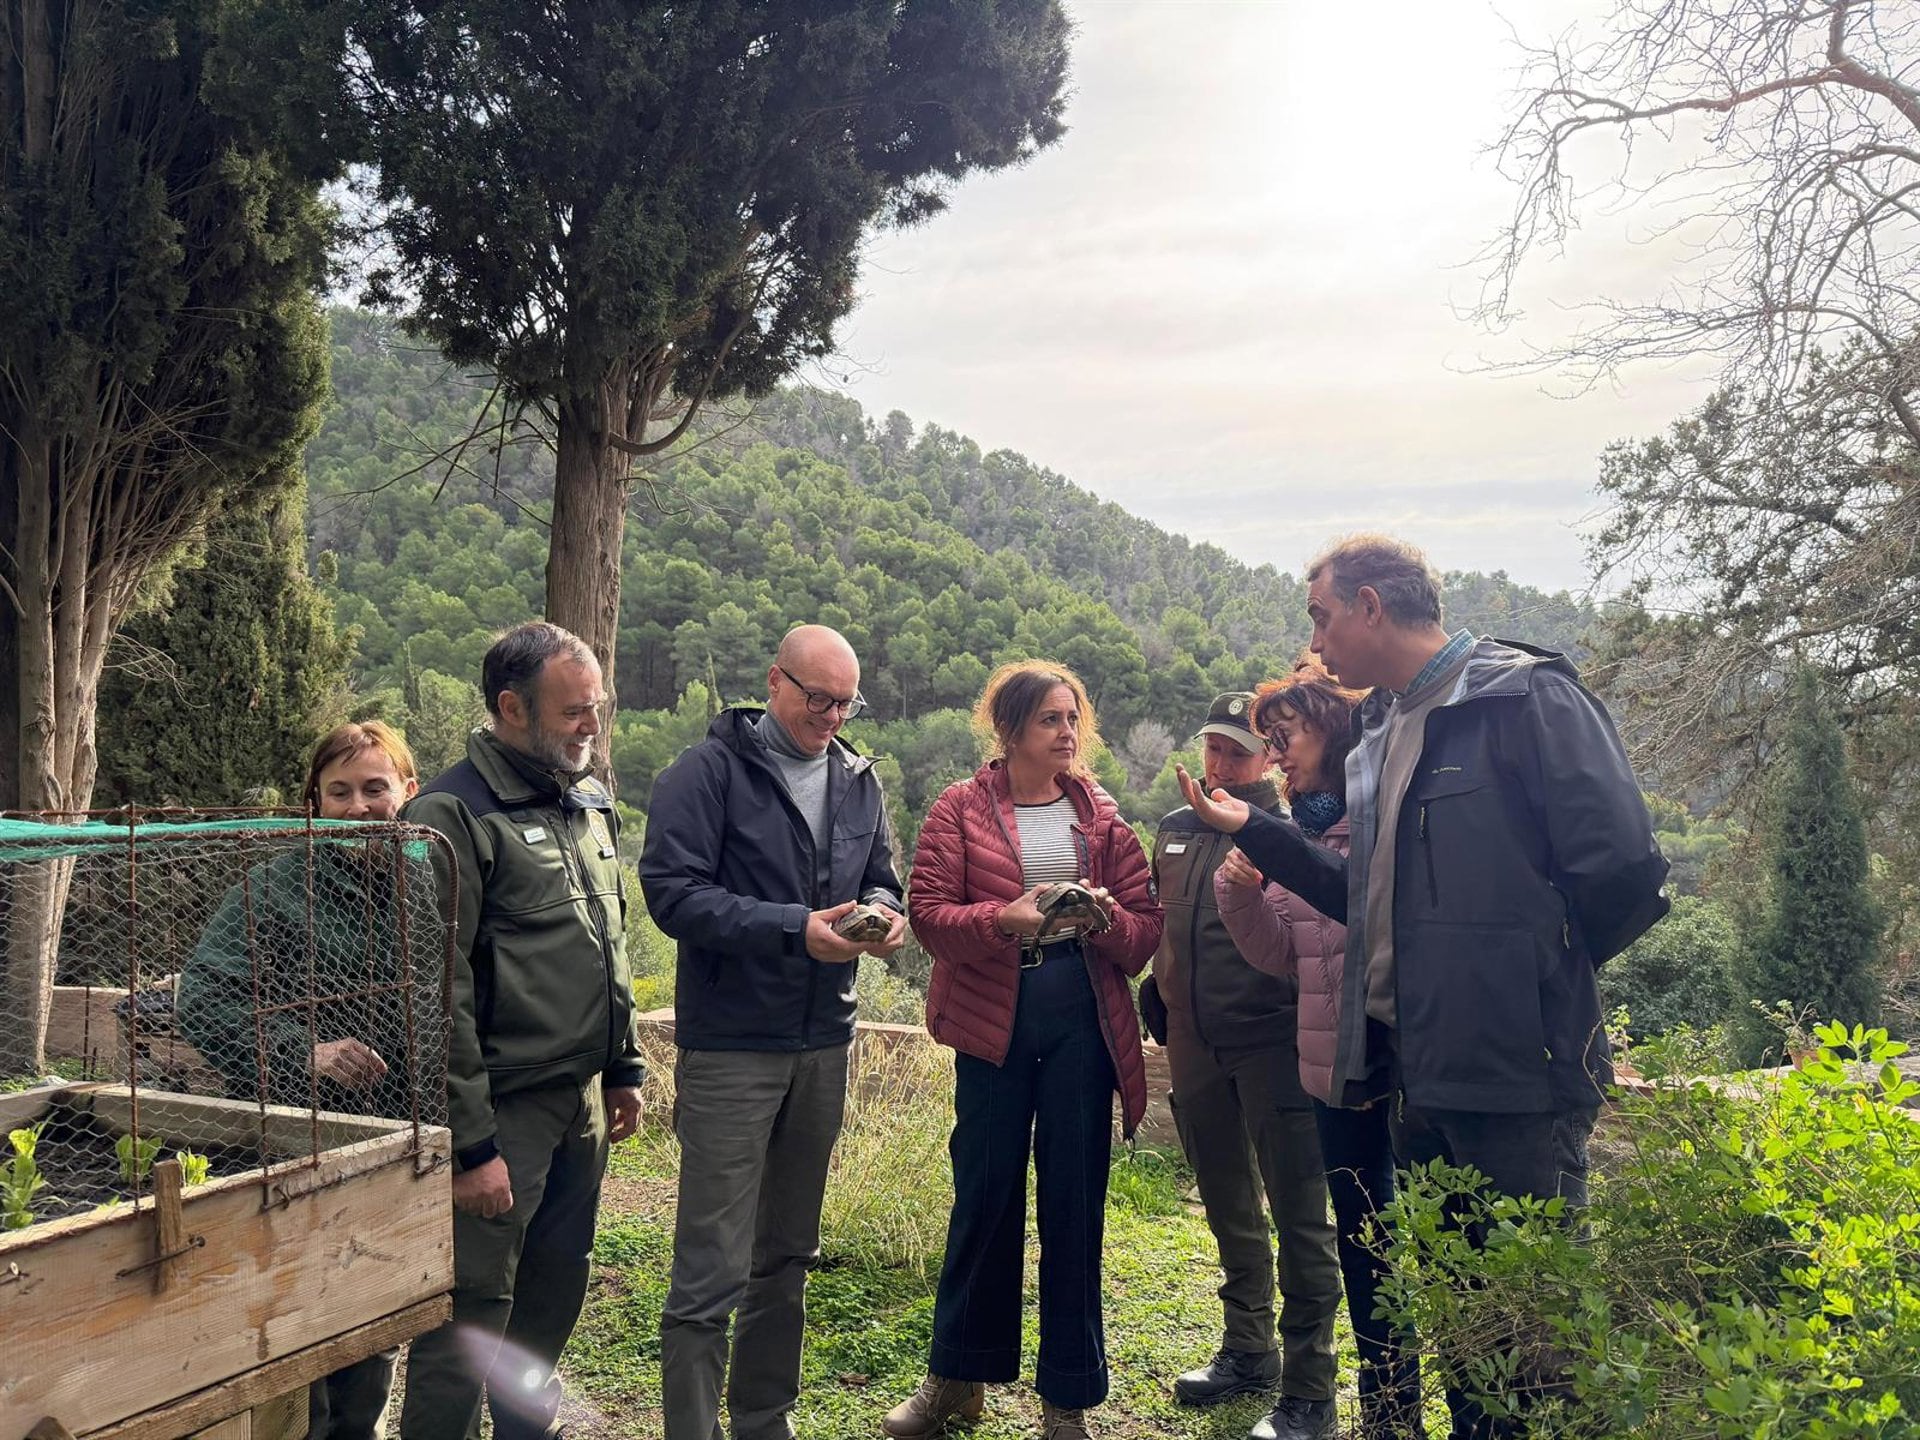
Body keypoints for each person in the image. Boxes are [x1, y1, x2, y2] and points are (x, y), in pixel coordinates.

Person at [1179, 535, 1669, 1439]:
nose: (1316, 643)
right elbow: (1362, 904)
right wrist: (1260, 830)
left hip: (1518, 1073)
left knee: (1536, 1339)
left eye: (1321, 616)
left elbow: (1627, 874)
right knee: (1464, 1324)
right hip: (1417, 1078)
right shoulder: (1379, 731)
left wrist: (1516, 980)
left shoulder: (1526, 698)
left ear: (1372, 606)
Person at [641, 624, 907, 1440]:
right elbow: (673, 895)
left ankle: (764, 1419)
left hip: (824, 1041)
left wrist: (886, 918)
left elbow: (882, 879)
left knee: (787, 1254)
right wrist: (797, 928)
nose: (832, 716)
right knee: (710, 1268)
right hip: (732, 1048)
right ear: (775, 682)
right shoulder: (704, 774)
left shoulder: (858, 779)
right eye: (818, 698)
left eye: (845, 702)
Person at [885, 662, 1164, 1440]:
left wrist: (1105, 919)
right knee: (985, 1196)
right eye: (1050, 720)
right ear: (1008, 730)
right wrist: (1004, 920)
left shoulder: (1102, 819)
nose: (1067, 734)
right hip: (992, 1022)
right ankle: (956, 1380)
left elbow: (1144, 929)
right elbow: (931, 916)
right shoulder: (960, 809)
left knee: (1075, 1204)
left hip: (1082, 1018)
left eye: (1073, 718)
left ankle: (1066, 1400)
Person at [399, 621, 646, 1440]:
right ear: (511, 706)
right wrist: (471, 1147)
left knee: (552, 1290)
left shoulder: (584, 802)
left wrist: (624, 1065)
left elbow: (610, 943)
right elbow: (435, 996)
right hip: (502, 1109)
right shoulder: (448, 815)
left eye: (596, 709)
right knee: (473, 1313)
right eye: (575, 711)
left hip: (577, 1103)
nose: (591, 726)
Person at [179, 720, 426, 1440]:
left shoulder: (431, 874)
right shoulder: (279, 887)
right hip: (300, 1137)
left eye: (374, 788)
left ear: (407, 791)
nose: (358, 806)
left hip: (406, 1131)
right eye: (338, 792)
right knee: (303, 1320)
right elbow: (203, 996)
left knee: (377, 1310)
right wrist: (303, 1050)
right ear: (313, 805)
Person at [1214, 661, 1424, 1439]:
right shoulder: (1294, 835)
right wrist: (1236, 891)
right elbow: (1283, 956)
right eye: (1268, 742)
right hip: (1332, 1072)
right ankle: (1390, 1417)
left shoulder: (1376, 821)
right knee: (1367, 1249)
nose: (1276, 756)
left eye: (1286, 735)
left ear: (1333, 731)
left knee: (1417, 1243)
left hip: (1401, 1068)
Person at [1145, 693, 1341, 1440]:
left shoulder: (1289, 832)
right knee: (1229, 1205)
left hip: (1274, 1046)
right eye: (1213, 748)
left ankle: (1310, 1388)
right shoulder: (1173, 827)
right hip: (1193, 1045)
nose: (1222, 763)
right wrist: (1155, 983)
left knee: (1300, 1216)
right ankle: (1247, 1351)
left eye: (1238, 750)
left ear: (1268, 757)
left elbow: (1309, 941)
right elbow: (1167, 922)